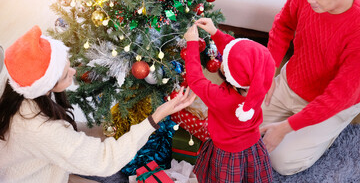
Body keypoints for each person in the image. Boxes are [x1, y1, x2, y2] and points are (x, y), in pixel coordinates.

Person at [0, 25, 196, 183]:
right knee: (120, 178)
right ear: (45, 87)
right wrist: (156, 117)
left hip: (44, 163)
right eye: (65, 75)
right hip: (36, 176)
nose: (74, 72)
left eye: (68, 65)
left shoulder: (16, 83)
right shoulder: (40, 129)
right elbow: (105, 160)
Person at [260, 0, 360, 175]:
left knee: (282, 162)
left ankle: (331, 129)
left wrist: (286, 127)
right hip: (293, 81)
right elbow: (283, 25)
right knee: (243, 125)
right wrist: (270, 71)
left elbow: (339, 95)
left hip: (335, 102)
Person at [184, 18, 275, 183]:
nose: (222, 59)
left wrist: (191, 45)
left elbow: (195, 79)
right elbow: (238, 52)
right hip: (252, 146)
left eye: (225, 61)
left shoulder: (220, 97)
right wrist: (215, 32)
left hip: (226, 154)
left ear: (229, 74)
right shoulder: (258, 83)